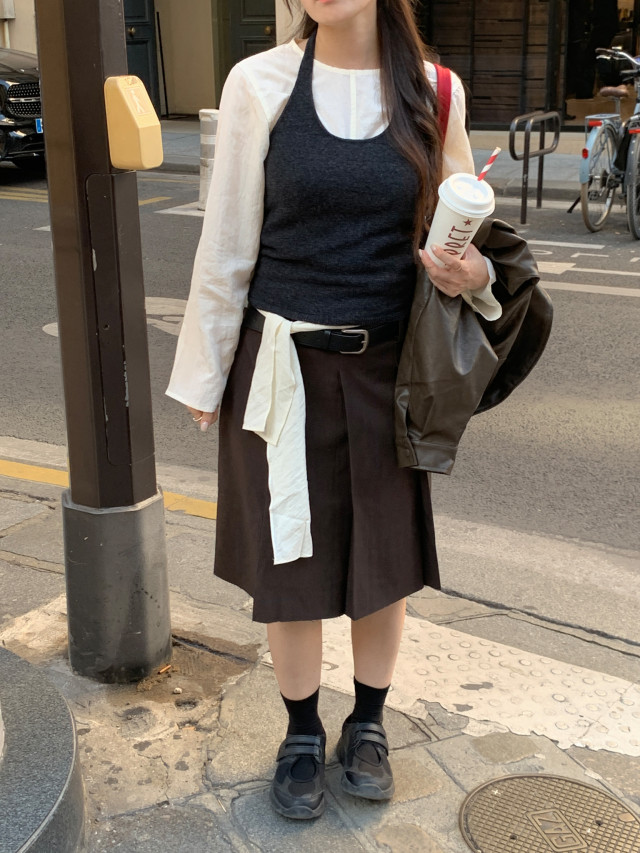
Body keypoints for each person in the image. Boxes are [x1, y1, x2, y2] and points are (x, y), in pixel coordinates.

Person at [167, 0, 501, 821]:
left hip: (390, 370)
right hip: (281, 367)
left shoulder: (436, 92)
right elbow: (227, 240)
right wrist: (207, 375)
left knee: (385, 561)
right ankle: (301, 732)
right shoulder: (260, 83)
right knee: (290, 566)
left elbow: (465, 229)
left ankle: (369, 723)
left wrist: (473, 273)